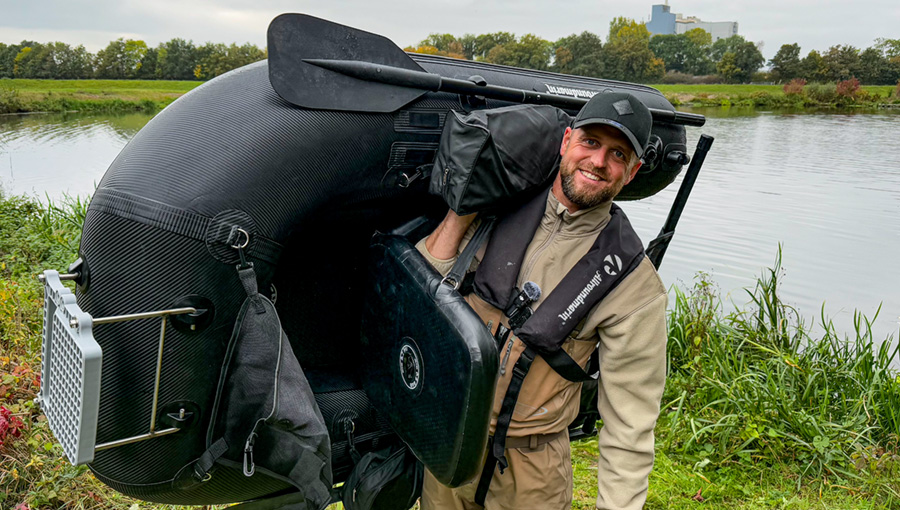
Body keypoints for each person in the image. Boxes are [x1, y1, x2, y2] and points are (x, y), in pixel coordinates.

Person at [415, 92, 668, 510]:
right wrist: (464, 207)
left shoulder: (633, 283)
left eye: (618, 154)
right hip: (451, 442)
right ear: (567, 141)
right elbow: (422, 290)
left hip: (532, 472)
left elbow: (631, 423)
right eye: (590, 142)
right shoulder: (498, 204)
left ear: (633, 172)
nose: (598, 161)